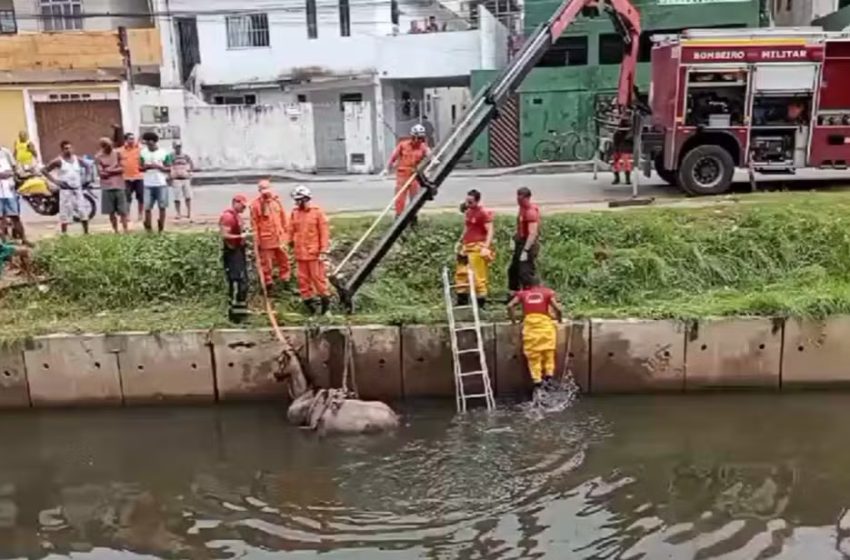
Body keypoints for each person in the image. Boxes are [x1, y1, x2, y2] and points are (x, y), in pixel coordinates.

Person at [507, 276, 564, 396]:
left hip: (530, 329)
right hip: (545, 328)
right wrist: (559, 320)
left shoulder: (523, 294)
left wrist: (514, 321)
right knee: (548, 355)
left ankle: (537, 383)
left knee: (533, 358)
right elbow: (558, 309)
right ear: (540, 284)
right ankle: (548, 378)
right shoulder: (547, 293)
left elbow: (510, 306)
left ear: (528, 285)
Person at [289, 185, 331, 315]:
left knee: (318, 279)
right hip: (300, 254)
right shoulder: (295, 213)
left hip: (314, 254)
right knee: (302, 281)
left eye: (298, 200)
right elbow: (291, 230)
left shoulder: (317, 213)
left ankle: (326, 306)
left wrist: (323, 250)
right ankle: (310, 305)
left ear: (304, 199)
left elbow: (324, 233)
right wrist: (289, 243)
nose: (296, 203)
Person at [454, 189, 494, 308]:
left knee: (478, 276)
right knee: (461, 273)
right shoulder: (468, 212)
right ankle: (462, 300)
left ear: (477, 201)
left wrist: (486, 247)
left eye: (470, 202)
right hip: (466, 246)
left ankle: (480, 303)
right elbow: (467, 227)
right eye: (467, 201)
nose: (468, 204)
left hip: (477, 247)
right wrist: (460, 241)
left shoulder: (483, 213)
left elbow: (490, 231)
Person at [249, 179, 290, 293]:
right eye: (263, 190)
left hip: (280, 238)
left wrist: (286, 234)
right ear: (260, 191)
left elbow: (283, 219)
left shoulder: (276, 202)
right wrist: (256, 240)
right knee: (267, 264)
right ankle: (268, 285)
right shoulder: (255, 205)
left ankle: (285, 281)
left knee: (284, 260)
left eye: (267, 190)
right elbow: (254, 224)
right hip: (266, 239)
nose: (266, 193)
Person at [43, 140, 90, 235]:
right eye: (66, 148)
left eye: (70, 148)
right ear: (62, 150)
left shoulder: (77, 159)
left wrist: (86, 179)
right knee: (65, 212)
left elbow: (88, 166)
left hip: (77, 189)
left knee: (82, 210)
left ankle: (86, 232)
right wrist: (55, 181)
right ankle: (64, 234)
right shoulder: (58, 161)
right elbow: (44, 170)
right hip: (65, 190)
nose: (68, 150)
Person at [384, 124, 431, 218]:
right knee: (400, 197)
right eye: (416, 137)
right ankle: (399, 216)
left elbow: (430, 157)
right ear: (412, 136)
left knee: (415, 197)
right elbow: (393, 157)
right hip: (402, 174)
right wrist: (387, 168)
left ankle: (413, 216)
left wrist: (429, 165)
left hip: (415, 175)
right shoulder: (403, 145)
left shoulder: (423, 147)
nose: (418, 140)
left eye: (420, 138)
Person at [220, 194, 251, 323]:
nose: (244, 208)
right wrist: (241, 237)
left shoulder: (238, 216)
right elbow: (225, 235)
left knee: (243, 279)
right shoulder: (228, 217)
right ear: (235, 203)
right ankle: (234, 311)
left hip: (239, 250)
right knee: (236, 280)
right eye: (242, 206)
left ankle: (241, 306)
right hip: (232, 252)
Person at [508, 187, 540, 295]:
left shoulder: (531, 212)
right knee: (513, 270)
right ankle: (514, 295)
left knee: (525, 272)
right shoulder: (521, 208)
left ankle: (530, 294)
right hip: (520, 241)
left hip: (528, 244)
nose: (519, 202)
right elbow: (520, 226)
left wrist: (525, 251)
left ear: (528, 198)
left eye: (522, 200)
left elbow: (532, 233)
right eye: (518, 199)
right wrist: (514, 239)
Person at [140, 131, 172, 233]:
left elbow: (169, 168)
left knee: (162, 206)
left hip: (161, 183)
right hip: (148, 184)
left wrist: (159, 167)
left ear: (154, 142)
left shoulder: (164, 153)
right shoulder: (143, 153)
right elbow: (139, 167)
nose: (148, 144)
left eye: (149, 142)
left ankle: (161, 227)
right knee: (147, 207)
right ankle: (148, 227)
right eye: (146, 143)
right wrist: (147, 167)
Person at [95, 137, 129, 233]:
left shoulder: (117, 154)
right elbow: (101, 174)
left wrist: (108, 170)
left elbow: (122, 169)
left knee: (123, 211)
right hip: (107, 186)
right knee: (111, 211)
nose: (109, 147)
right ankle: (116, 230)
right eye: (106, 146)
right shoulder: (98, 157)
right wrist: (114, 170)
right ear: (102, 146)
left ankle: (125, 230)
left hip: (119, 185)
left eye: (110, 145)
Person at [0, 145, 25, 244]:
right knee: (1, 218)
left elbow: (14, 167)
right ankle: (4, 242)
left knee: (15, 215)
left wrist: (11, 174)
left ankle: (23, 238)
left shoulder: (5, 152)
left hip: (8, 188)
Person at [119, 133, 144, 221]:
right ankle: (127, 215)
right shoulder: (120, 151)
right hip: (126, 178)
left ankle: (140, 214)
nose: (132, 141)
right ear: (125, 140)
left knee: (141, 197)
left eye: (133, 139)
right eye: (130, 139)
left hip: (138, 177)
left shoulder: (140, 149)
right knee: (127, 197)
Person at [170, 142, 194, 221]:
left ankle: (189, 212)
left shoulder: (185, 156)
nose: (178, 148)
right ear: (174, 147)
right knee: (177, 198)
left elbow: (191, 164)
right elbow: (168, 165)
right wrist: (171, 175)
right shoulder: (171, 156)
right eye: (176, 147)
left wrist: (190, 173)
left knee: (188, 196)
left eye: (179, 146)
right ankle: (178, 213)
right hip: (176, 179)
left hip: (185, 178)